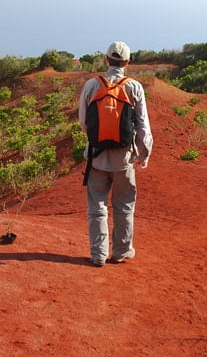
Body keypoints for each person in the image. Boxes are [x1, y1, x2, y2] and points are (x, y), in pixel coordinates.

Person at [78, 41, 153, 267]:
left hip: (97, 157)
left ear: (106, 60)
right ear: (127, 63)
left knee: (97, 208)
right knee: (124, 206)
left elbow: (84, 122)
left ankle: (98, 255)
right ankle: (121, 251)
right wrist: (144, 153)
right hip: (124, 159)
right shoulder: (134, 87)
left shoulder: (92, 85)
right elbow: (143, 126)